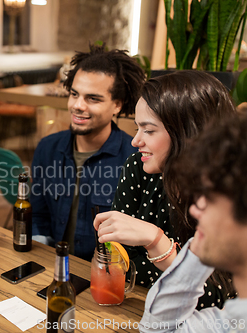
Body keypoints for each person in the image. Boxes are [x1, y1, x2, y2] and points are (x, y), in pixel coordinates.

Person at [94, 70, 237, 309]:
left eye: (148, 130)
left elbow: (219, 297)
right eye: (137, 128)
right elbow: (119, 258)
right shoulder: (139, 167)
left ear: (191, 134)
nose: (135, 141)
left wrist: (157, 242)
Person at [30, 43, 145, 260]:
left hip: (106, 277)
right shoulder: (48, 148)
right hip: (51, 268)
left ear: (117, 105)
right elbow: (38, 214)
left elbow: (139, 239)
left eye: (93, 98)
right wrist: (40, 257)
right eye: (74, 94)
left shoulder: (136, 159)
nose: (78, 105)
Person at [139, 114, 247, 332]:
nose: (195, 209)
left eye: (210, 198)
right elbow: (158, 329)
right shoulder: (233, 320)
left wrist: (159, 243)